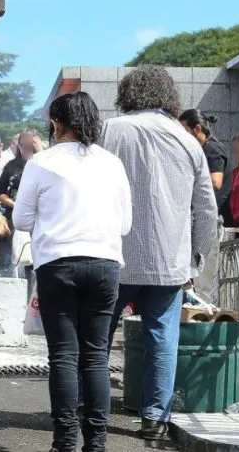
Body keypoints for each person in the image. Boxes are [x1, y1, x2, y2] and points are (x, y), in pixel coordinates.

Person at [99, 65, 217, 440]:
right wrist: (196, 255)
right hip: (169, 259)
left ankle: (92, 410)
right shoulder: (187, 141)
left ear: (127, 94)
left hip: (112, 253)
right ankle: (154, 420)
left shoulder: (107, 131)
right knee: (162, 338)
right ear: (170, 97)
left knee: (97, 337)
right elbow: (207, 209)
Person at [12, 92, 133, 452]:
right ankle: (96, 443)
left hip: (58, 265)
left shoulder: (41, 162)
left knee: (63, 355)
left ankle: (64, 442)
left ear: (56, 123)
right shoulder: (112, 163)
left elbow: (20, 218)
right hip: (105, 264)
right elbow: (125, 224)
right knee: (96, 355)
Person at [0, 130, 42, 274]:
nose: (27, 149)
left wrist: (41, 154)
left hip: (38, 223)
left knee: (35, 266)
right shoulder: (11, 166)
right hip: (13, 222)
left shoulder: (44, 165)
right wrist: (14, 203)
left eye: (31, 145)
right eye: (23, 145)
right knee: (11, 263)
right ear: (18, 146)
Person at [179, 110, 231, 225]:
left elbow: (216, 182)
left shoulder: (212, 149)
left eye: (184, 131)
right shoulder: (201, 149)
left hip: (217, 217)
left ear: (197, 129)